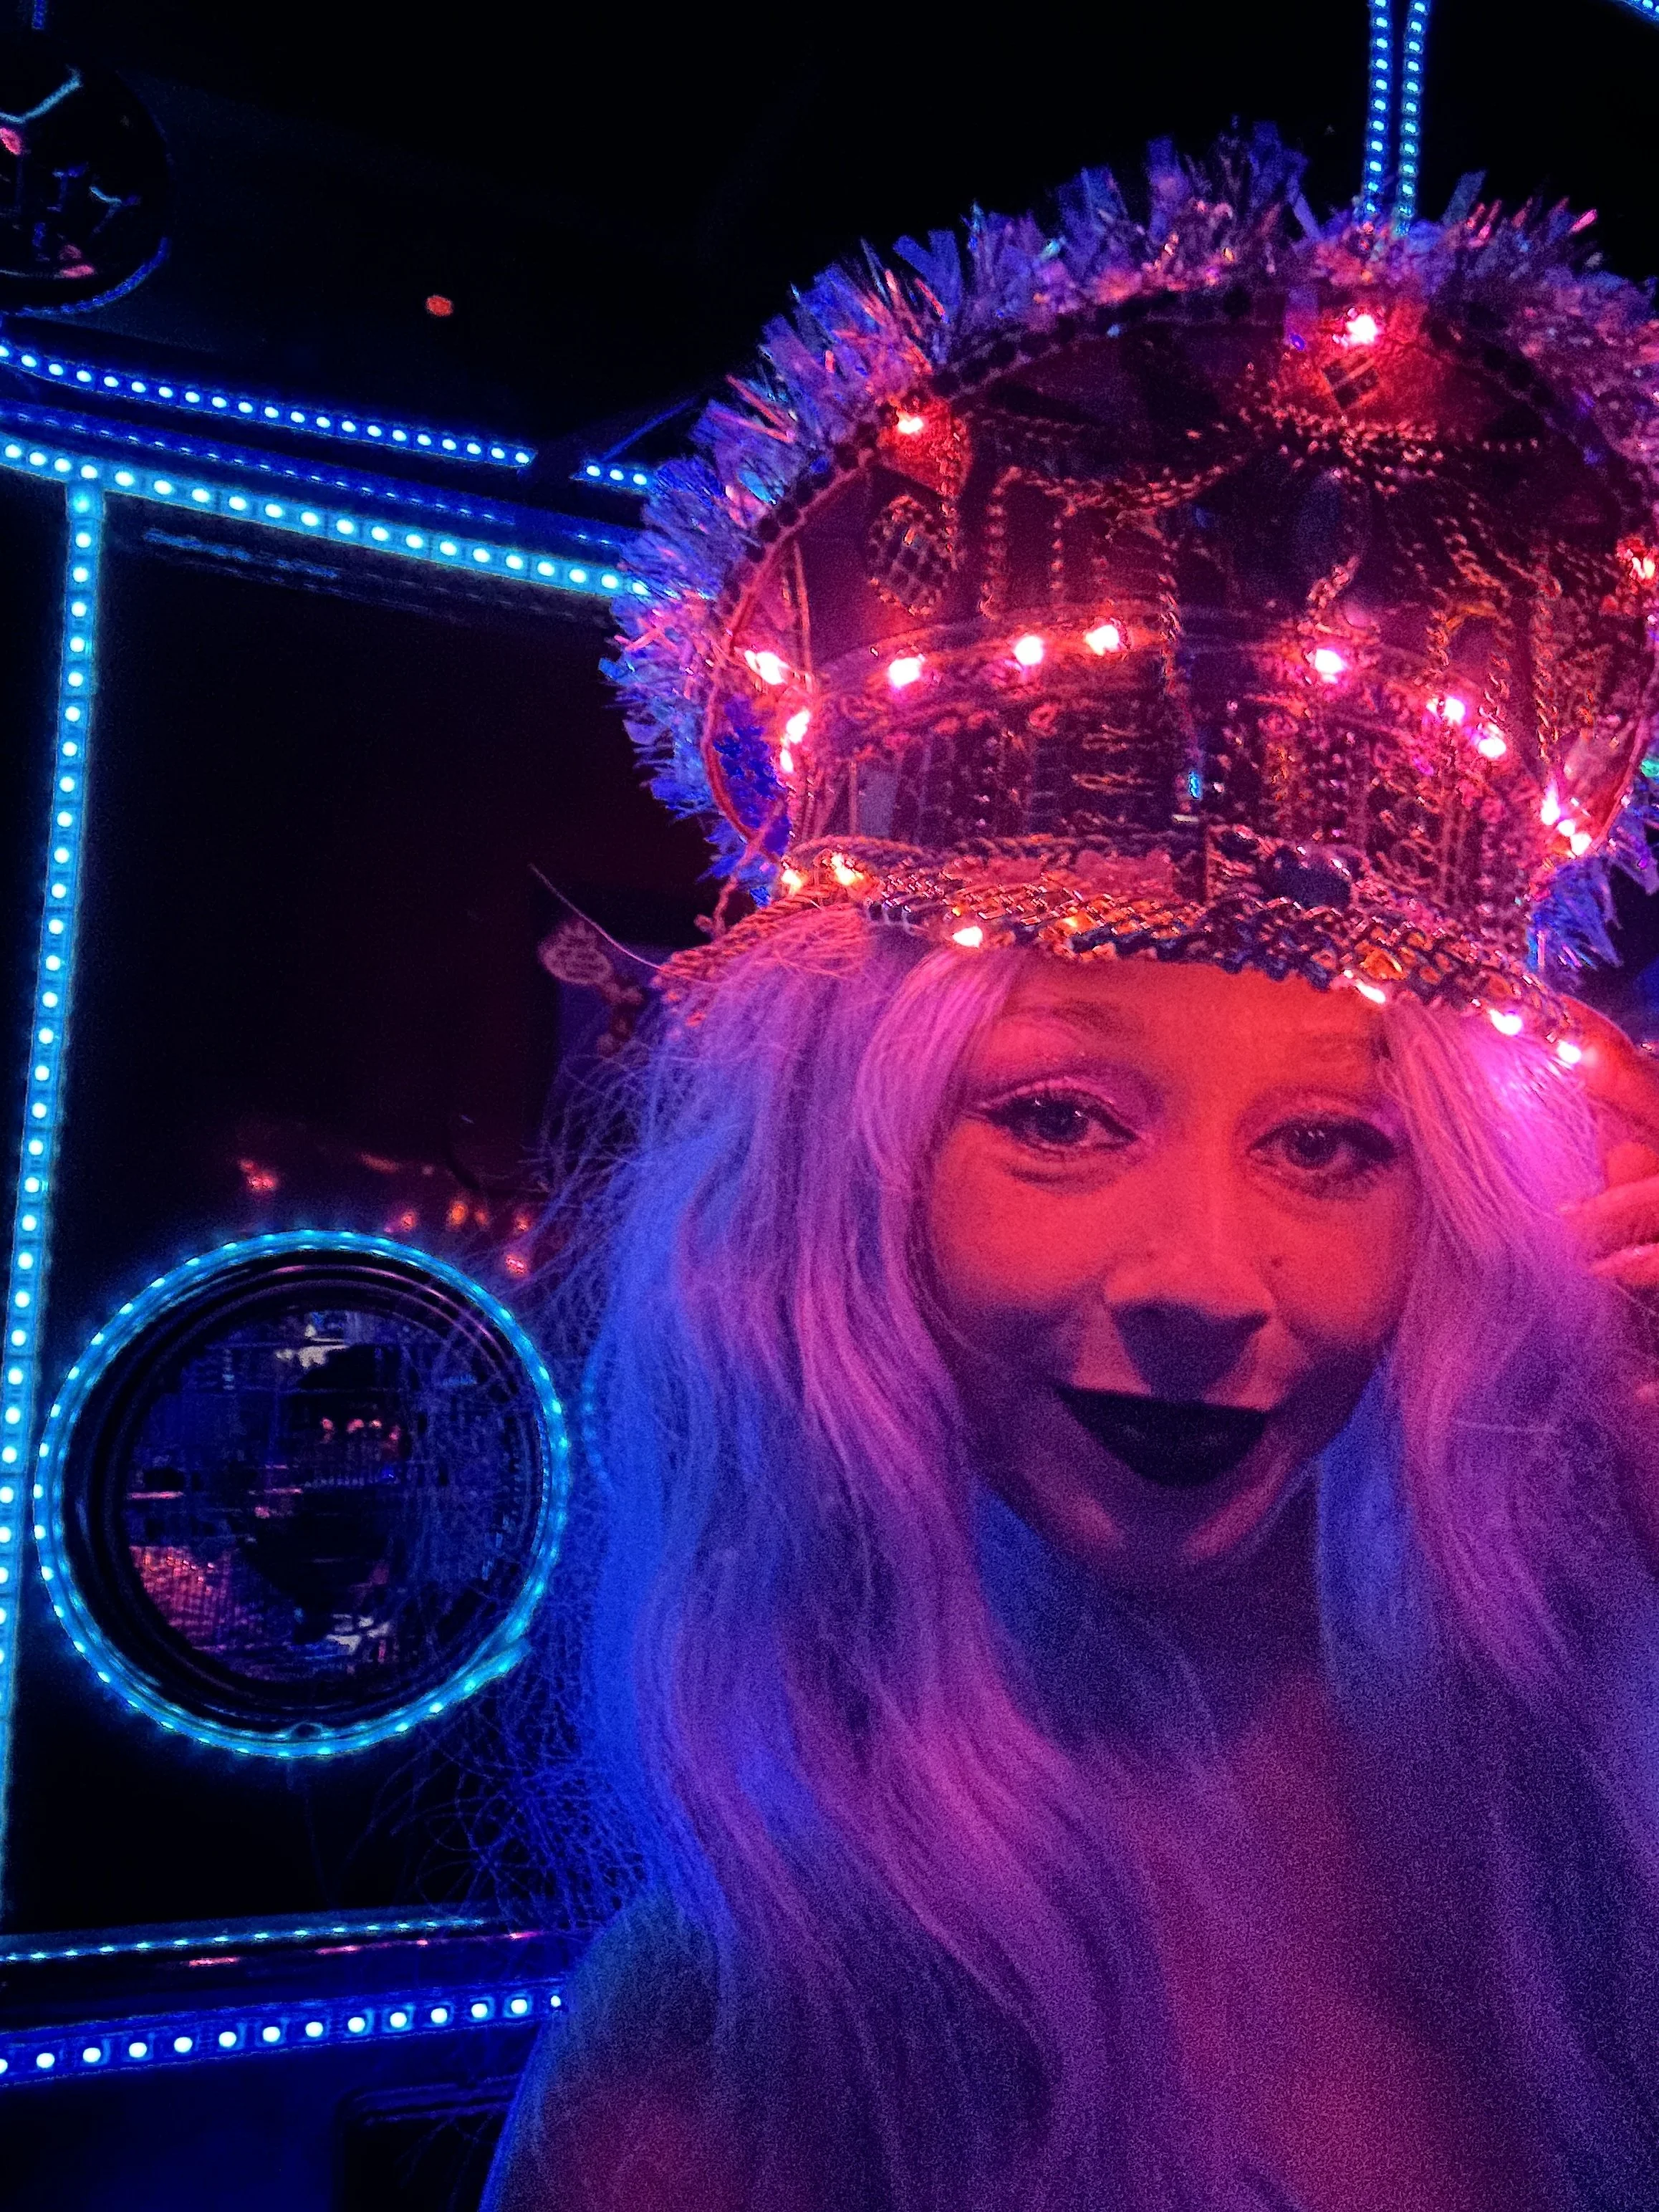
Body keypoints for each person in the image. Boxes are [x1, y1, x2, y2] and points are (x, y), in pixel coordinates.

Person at [486, 133, 1659, 2211]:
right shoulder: (718, 2055)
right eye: (1055, 1117)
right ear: (833, 1201)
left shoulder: (1589, 1875)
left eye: (1328, 1142)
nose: (1210, 1275)